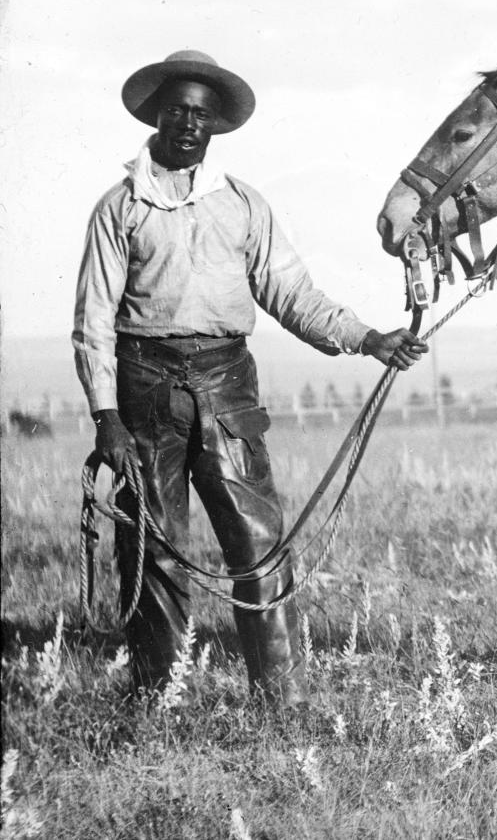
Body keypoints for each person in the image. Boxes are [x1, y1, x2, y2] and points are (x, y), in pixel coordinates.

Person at [73, 49, 426, 704]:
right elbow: (93, 320)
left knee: (260, 543)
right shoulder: (119, 208)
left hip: (228, 386)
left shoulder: (242, 205)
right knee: (154, 551)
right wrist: (105, 418)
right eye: (177, 109)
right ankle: (154, 706)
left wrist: (369, 338)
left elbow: (294, 294)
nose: (188, 124)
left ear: (216, 126)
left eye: (200, 114)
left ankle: (281, 705)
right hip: (144, 391)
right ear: (156, 114)